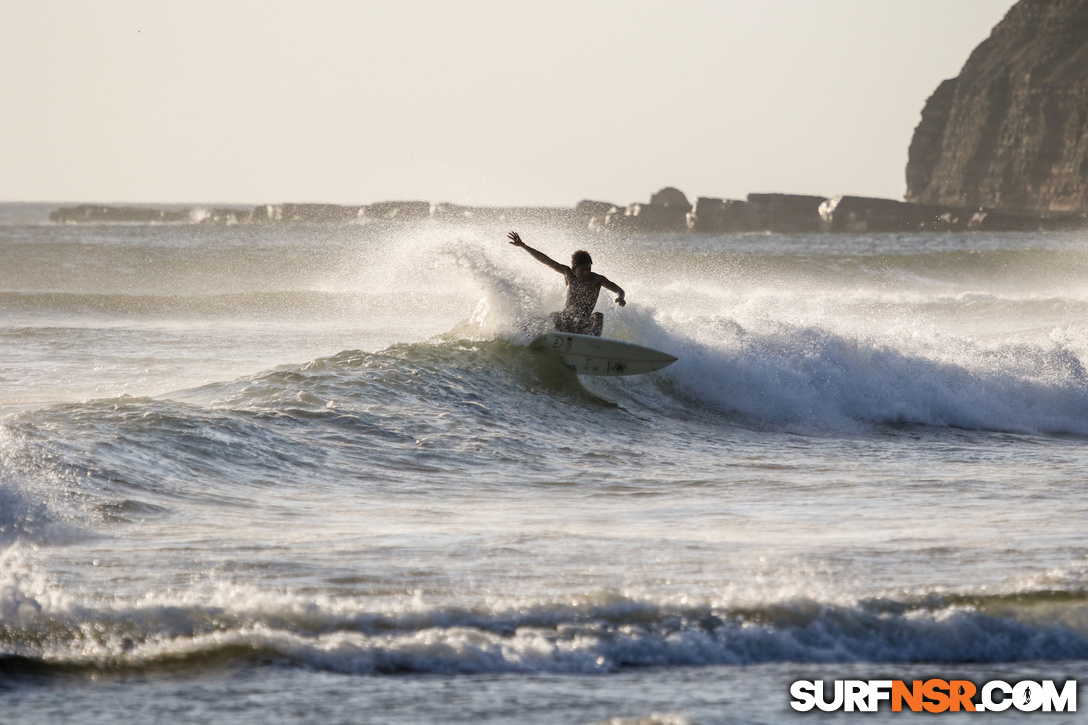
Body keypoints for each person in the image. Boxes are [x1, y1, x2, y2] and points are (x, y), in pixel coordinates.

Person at [508, 231, 625, 336]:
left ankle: (593, 341)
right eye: (583, 269)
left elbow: (619, 290)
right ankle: (526, 335)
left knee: (598, 316)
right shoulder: (568, 274)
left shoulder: (597, 279)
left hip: (584, 324)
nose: (587, 272)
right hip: (567, 321)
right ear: (575, 268)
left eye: (589, 269)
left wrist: (620, 297)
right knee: (554, 315)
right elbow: (545, 260)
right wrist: (523, 246)